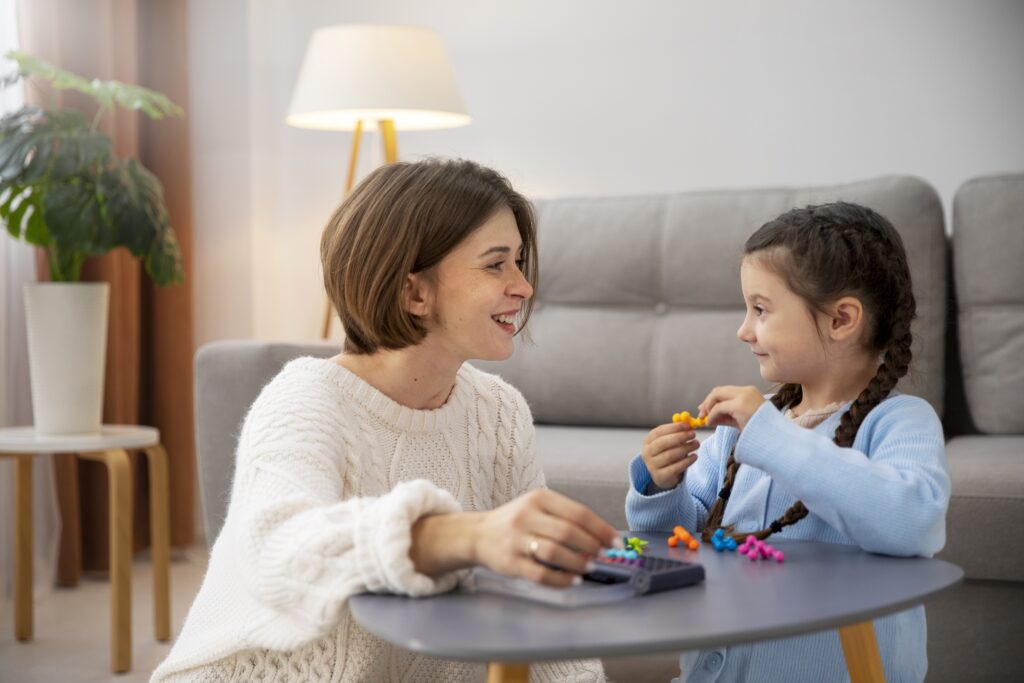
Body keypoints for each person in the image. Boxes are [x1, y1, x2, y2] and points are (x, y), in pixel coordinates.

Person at [152, 159, 619, 683]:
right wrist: (465, 537)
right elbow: (275, 551)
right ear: (413, 292)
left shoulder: (499, 412)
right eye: (496, 265)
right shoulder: (305, 398)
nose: (523, 287)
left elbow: (539, 598)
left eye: (518, 261)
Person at [626, 202, 950, 683]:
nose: (743, 330)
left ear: (841, 319)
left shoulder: (899, 422)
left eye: (760, 310)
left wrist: (769, 435)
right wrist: (659, 486)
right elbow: (678, 540)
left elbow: (912, 523)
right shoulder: (745, 428)